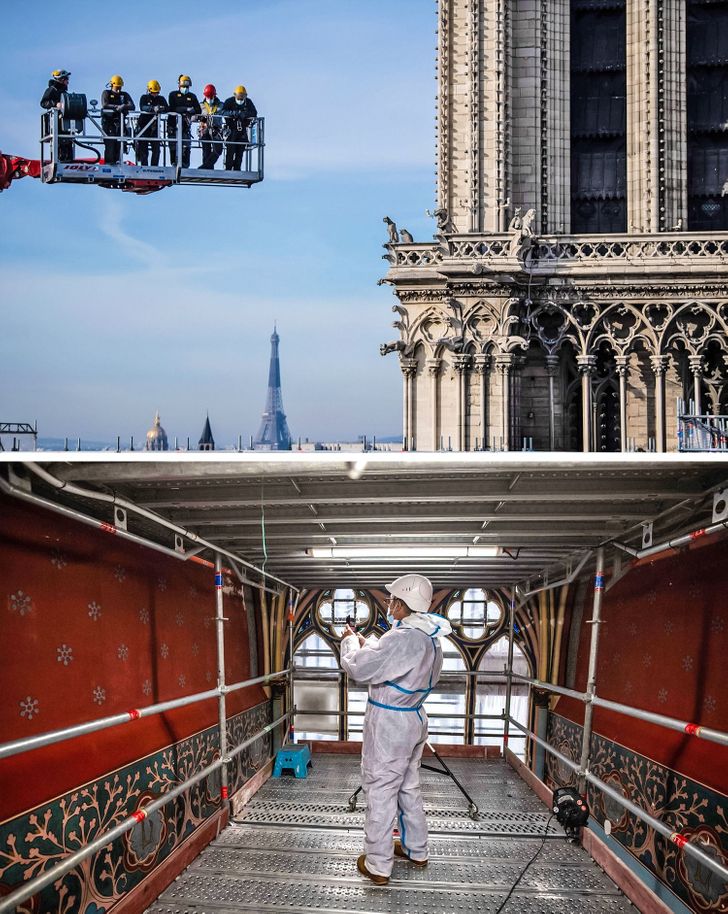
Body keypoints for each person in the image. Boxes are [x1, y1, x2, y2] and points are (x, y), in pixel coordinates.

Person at [340, 573, 452, 886]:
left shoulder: (402, 639)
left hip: (390, 725)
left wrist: (349, 641)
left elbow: (359, 667)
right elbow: (392, 660)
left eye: (392, 600)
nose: (389, 604)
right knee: (408, 787)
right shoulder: (429, 636)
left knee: (380, 790)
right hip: (414, 718)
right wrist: (369, 644)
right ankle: (417, 849)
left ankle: (378, 864)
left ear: (402, 604)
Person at [40, 69, 74, 162]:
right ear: (61, 79)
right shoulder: (52, 90)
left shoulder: (64, 93)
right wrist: (56, 104)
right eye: (66, 79)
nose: (68, 81)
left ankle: (68, 160)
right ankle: (59, 159)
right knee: (58, 144)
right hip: (55, 124)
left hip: (65, 124)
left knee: (67, 143)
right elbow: (43, 103)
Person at [167, 75, 201, 167]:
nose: (185, 88)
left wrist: (191, 111)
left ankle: (185, 163)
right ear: (179, 86)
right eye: (183, 87)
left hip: (185, 126)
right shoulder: (173, 95)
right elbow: (172, 108)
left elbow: (198, 110)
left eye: (187, 87)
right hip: (173, 124)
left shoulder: (192, 96)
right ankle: (174, 163)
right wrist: (186, 109)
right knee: (173, 145)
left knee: (186, 145)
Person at [101, 75, 135, 165]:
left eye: (120, 87)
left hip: (120, 124)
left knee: (119, 145)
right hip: (109, 124)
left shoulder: (124, 95)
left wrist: (124, 106)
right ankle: (109, 165)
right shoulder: (106, 93)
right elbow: (105, 104)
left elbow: (132, 106)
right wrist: (116, 107)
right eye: (117, 87)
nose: (118, 89)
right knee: (110, 145)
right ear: (112, 85)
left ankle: (117, 162)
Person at [221, 85, 257, 171]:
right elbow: (222, 112)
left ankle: (237, 169)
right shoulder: (229, 101)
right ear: (235, 95)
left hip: (242, 131)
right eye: (239, 98)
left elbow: (254, 113)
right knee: (230, 151)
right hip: (231, 130)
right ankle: (228, 169)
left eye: (242, 98)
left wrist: (245, 114)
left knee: (240, 152)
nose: (240, 100)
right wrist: (232, 113)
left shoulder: (248, 102)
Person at [136, 80, 168, 167]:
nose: (155, 94)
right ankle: (144, 166)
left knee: (156, 149)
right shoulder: (144, 98)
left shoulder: (161, 99)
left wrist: (161, 108)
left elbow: (167, 108)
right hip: (143, 127)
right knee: (143, 149)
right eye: (153, 92)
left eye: (156, 92)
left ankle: (154, 167)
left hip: (154, 128)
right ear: (149, 91)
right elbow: (142, 107)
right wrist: (152, 108)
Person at [198, 84, 223, 170]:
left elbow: (226, 113)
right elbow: (194, 117)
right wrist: (201, 118)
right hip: (205, 130)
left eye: (211, 96)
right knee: (206, 150)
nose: (210, 98)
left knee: (218, 149)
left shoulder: (221, 105)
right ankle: (208, 169)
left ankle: (205, 166)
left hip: (216, 130)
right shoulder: (201, 106)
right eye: (208, 97)